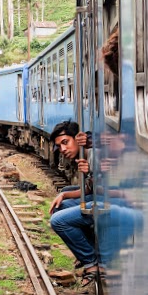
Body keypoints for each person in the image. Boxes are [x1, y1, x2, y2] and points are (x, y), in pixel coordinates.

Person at [48, 120, 97, 285]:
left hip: (109, 202)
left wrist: (90, 171)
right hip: (99, 197)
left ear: (78, 139)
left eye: (65, 142)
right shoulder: (86, 154)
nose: (63, 149)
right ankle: (88, 252)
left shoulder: (94, 154)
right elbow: (89, 189)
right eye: (59, 146)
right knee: (59, 204)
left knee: (58, 220)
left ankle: (92, 263)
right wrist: (65, 195)